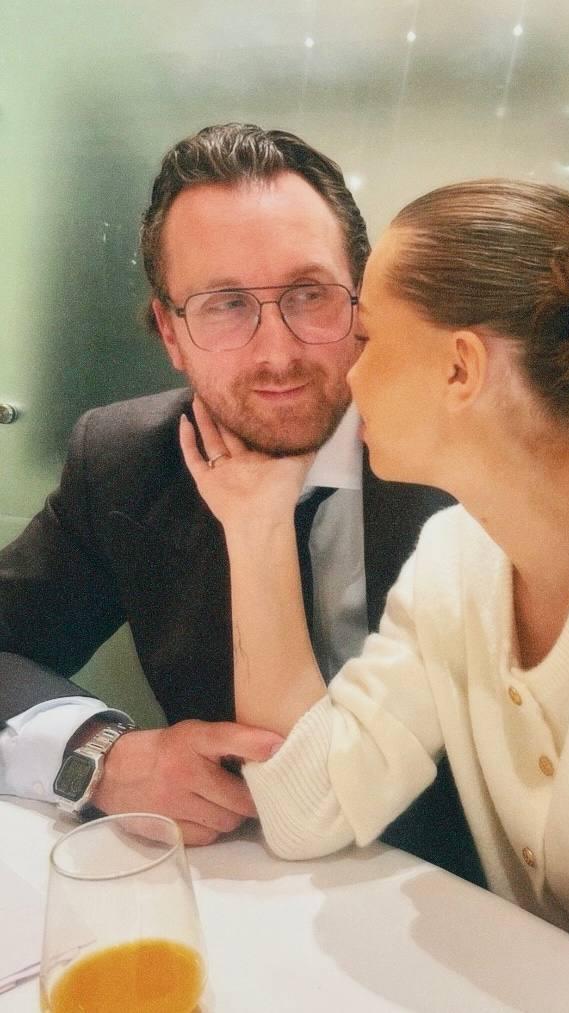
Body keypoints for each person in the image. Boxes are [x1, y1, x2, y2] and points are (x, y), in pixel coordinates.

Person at [183, 180, 569, 1011]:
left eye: (368, 336)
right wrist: (255, 528)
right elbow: (306, 805)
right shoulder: (455, 562)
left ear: (460, 368)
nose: (349, 370)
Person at [0, 123, 483, 884]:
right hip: (239, 892)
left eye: (309, 295)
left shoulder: (474, 447)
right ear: (170, 332)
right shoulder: (126, 462)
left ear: (363, 301)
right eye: (225, 304)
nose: (276, 353)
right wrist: (101, 755)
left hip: (462, 904)